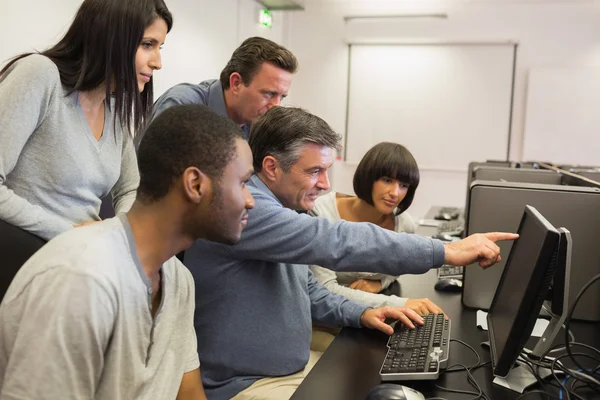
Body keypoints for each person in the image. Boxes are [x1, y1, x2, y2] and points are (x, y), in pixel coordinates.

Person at [183, 106, 518, 400]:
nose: (327, 184)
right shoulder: (247, 210)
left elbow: (308, 290)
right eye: (315, 171)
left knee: (373, 373)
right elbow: (338, 240)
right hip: (249, 384)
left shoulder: (282, 207)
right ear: (271, 167)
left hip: (287, 367)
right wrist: (446, 251)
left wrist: (360, 313)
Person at [0, 104, 256, 399]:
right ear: (195, 184)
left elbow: (188, 392)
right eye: (244, 183)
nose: (251, 201)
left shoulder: (178, 279)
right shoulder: (81, 280)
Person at [0, 0, 172, 240]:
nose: (157, 62)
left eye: (159, 47)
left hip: (83, 250)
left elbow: (130, 188)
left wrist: (119, 232)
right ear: (111, 38)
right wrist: (70, 234)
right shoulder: (40, 74)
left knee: (174, 271)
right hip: (31, 245)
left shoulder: (114, 110)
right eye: (147, 45)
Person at [309, 142, 441, 315]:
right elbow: (324, 290)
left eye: (404, 185)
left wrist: (380, 283)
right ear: (368, 177)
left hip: (368, 315)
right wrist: (400, 304)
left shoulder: (403, 224)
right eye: (387, 180)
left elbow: (398, 267)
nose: (395, 192)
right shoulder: (320, 214)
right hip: (326, 316)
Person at [148, 36, 298, 139]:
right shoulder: (181, 105)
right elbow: (150, 174)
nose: (276, 106)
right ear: (236, 83)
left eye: (282, 97)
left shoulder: (255, 124)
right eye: (269, 94)